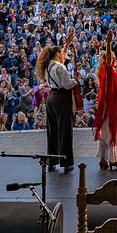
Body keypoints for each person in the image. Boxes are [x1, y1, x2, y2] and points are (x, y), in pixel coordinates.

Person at [37, 28, 76, 173]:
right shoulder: (60, 67)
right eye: (61, 53)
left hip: (51, 97)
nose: (63, 55)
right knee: (65, 129)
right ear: (57, 54)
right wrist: (76, 81)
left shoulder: (48, 66)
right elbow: (67, 84)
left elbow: (63, 57)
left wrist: (66, 44)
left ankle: (52, 160)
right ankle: (66, 162)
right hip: (61, 97)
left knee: (52, 129)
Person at [94, 31, 117, 171]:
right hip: (110, 105)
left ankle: (103, 159)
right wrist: (108, 43)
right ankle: (113, 159)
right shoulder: (107, 70)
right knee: (112, 130)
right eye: (112, 58)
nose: (114, 60)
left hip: (107, 104)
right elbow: (108, 58)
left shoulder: (104, 72)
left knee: (105, 131)